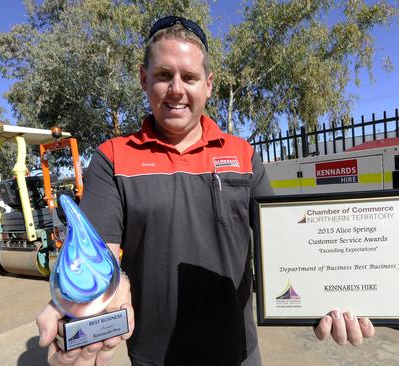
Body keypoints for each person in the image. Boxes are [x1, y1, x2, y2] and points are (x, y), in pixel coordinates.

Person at [36, 16, 375, 366]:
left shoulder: (243, 155)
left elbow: (287, 244)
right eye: (164, 75)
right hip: (155, 357)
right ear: (143, 78)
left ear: (209, 85)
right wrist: (83, 302)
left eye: (190, 77)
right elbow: (96, 255)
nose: (177, 89)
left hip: (238, 352)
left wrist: (333, 292)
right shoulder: (112, 158)